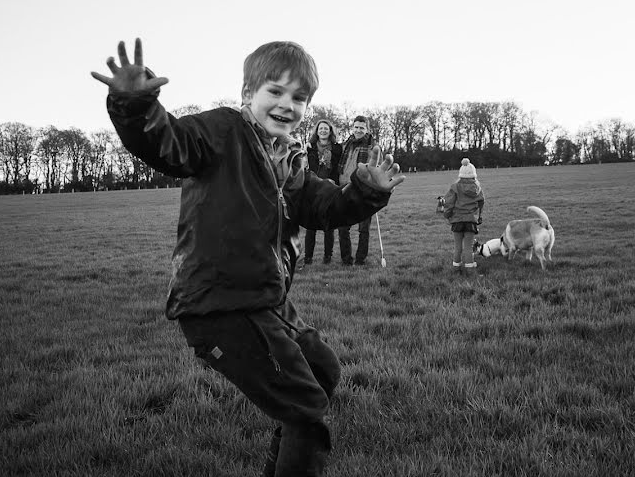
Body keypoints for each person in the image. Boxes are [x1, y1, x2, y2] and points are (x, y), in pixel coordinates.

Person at [91, 38, 404, 477]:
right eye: (275, 91)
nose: (286, 105)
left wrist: (366, 191)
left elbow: (325, 207)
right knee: (305, 407)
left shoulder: (290, 161)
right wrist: (135, 104)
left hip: (266, 300)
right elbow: (168, 143)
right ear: (246, 95)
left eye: (299, 97)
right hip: (221, 303)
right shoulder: (221, 132)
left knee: (322, 372)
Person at [337, 116, 375, 265]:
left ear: (367, 129)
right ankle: (346, 259)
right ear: (352, 128)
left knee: (363, 229)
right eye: (356, 127)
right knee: (342, 227)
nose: (358, 130)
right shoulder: (345, 145)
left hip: (363, 191)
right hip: (344, 189)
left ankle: (361, 259)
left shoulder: (372, 147)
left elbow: (376, 169)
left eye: (362, 127)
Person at [303, 119, 342, 265]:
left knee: (329, 225)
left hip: (330, 188)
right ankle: (308, 258)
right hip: (312, 189)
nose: (323, 131)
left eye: (326, 128)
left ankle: (327, 257)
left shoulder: (337, 148)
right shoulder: (310, 147)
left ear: (330, 131)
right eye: (321, 129)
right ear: (317, 131)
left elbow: (339, 167)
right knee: (310, 224)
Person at [441, 158, 485, 276]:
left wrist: (447, 215)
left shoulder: (455, 187)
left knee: (458, 246)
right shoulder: (477, 188)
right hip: (470, 221)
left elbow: (448, 203)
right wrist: (479, 216)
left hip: (457, 221)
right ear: (474, 175)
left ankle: (456, 268)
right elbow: (481, 202)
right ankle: (470, 270)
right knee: (468, 247)